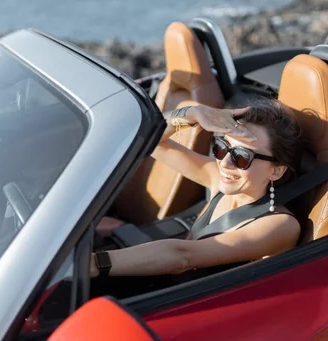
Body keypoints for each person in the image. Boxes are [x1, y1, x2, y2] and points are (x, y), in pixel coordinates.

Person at [90, 98, 303, 281]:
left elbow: (183, 257)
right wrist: (191, 114)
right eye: (221, 148)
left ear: (276, 171)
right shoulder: (219, 178)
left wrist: (94, 264)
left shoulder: (280, 226)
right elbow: (149, 141)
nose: (225, 163)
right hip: (169, 282)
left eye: (242, 157)